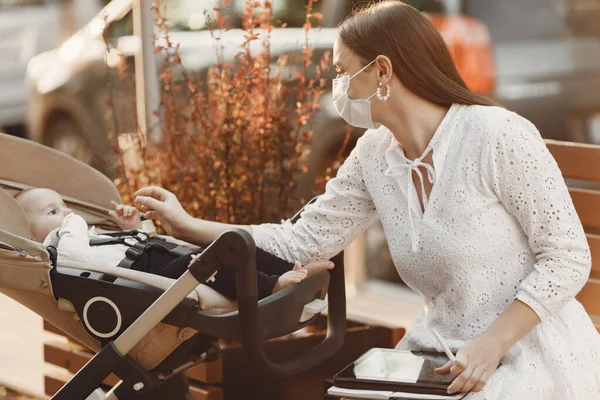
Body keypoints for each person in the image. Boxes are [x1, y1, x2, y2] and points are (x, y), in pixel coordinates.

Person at [134, 1, 600, 398]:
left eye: (341, 72)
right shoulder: (375, 154)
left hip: (528, 352)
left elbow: (567, 257)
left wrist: (492, 344)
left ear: (382, 70)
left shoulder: (496, 135)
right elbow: (303, 242)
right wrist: (187, 224)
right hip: (439, 354)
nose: (337, 88)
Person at [14, 188, 333, 300]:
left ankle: (292, 268)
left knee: (230, 243)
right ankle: (271, 285)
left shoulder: (83, 232)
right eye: (53, 211)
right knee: (212, 262)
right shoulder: (58, 247)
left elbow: (137, 242)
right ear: (31, 232)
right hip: (145, 279)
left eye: (64, 207)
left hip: (157, 258)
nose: (66, 213)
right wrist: (73, 222)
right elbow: (81, 257)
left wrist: (134, 227)